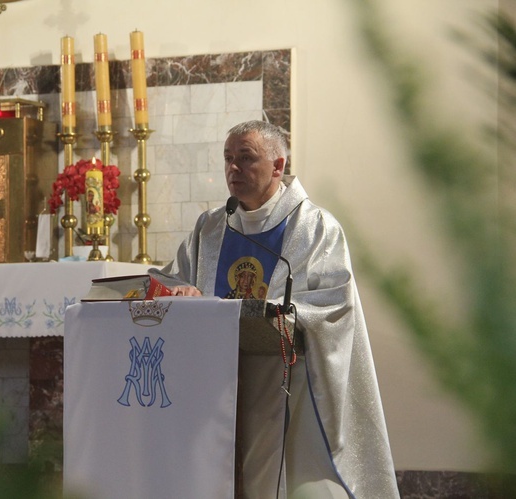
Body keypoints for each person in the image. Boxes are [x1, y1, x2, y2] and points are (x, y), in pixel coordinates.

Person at [151, 120, 399, 498]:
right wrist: (181, 289)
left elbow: (334, 305)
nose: (233, 168)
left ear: (278, 166)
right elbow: (169, 280)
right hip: (215, 378)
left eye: (246, 158)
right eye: (228, 158)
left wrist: (283, 314)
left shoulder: (315, 227)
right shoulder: (211, 227)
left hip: (285, 380)